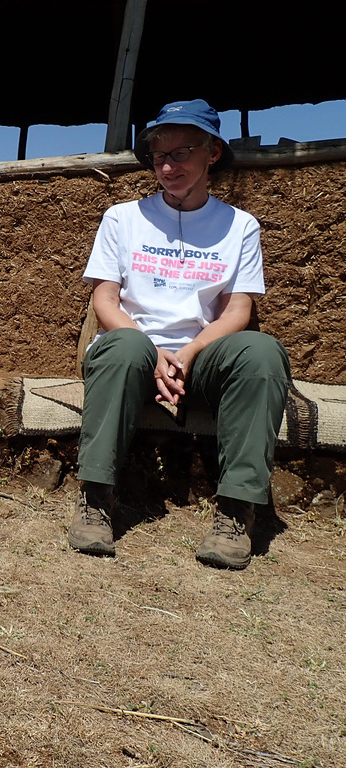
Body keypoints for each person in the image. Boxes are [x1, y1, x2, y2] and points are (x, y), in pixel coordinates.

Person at [69, 99, 291, 570]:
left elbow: (239, 310)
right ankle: (95, 498)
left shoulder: (239, 226)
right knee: (124, 346)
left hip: (201, 356)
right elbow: (105, 302)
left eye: (181, 153)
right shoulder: (122, 218)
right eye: (158, 155)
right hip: (130, 350)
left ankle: (237, 510)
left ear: (212, 153)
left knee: (262, 352)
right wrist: (152, 351)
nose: (167, 166)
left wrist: (187, 352)